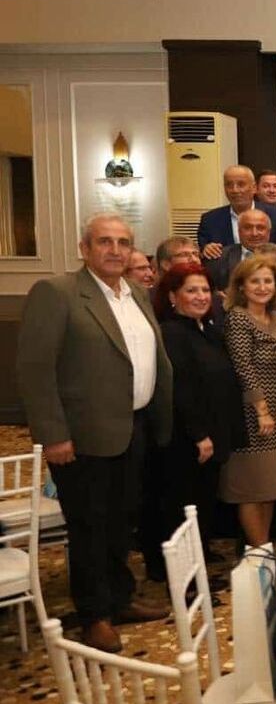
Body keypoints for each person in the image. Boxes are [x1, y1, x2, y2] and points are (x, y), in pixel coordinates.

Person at [17, 213, 174, 653]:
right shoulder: (57, 293)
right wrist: (53, 434)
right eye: (104, 241)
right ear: (84, 248)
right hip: (81, 437)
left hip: (133, 426)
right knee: (89, 526)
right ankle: (94, 615)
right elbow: (34, 370)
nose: (115, 250)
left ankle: (119, 598)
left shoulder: (137, 293)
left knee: (122, 521)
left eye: (123, 242)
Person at [152, 263, 246, 567]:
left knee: (203, 501)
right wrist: (200, 435)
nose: (201, 296)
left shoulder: (207, 331)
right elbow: (181, 389)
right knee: (184, 507)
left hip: (213, 434)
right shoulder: (171, 333)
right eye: (191, 290)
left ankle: (200, 558)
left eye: (205, 290)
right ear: (172, 296)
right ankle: (186, 577)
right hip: (189, 439)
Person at [222, 254, 276, 548]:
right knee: (252, 489)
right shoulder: (238, 318)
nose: (262, 287)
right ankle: (259, 552)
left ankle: (262, 547)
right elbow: (243, 368)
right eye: (255, 281)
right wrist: (262, 410)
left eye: (268, 281)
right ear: (242, 286)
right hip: (252, 414)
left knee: (269, 488)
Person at [205, 208, 276, 291]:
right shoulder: (219, 258)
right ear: (239, 232)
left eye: (260, 228)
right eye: (248, 228)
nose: (254, 233)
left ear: (269, 232)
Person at [197, 165, 276, 256]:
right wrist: (207, 249)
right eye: (229, 185)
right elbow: (203, 254)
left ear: (254, 188)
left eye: (241, 184)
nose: (235, 190)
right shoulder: (210, 220)